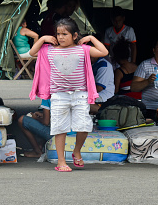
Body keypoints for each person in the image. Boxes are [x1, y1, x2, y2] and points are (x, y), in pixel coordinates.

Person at [29, 17, 108, 172]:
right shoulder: (49, 50)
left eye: (65, 34)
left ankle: (77, 151)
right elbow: (32, 52)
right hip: (59, 95)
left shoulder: (83, 49)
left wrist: (91, 38)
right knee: (60, 128)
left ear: (75, 35)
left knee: (84, 125)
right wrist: (43, 38)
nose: (60, 37)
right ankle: (61, 161)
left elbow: (103, 51)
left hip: (80, 94)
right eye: (58, 34)